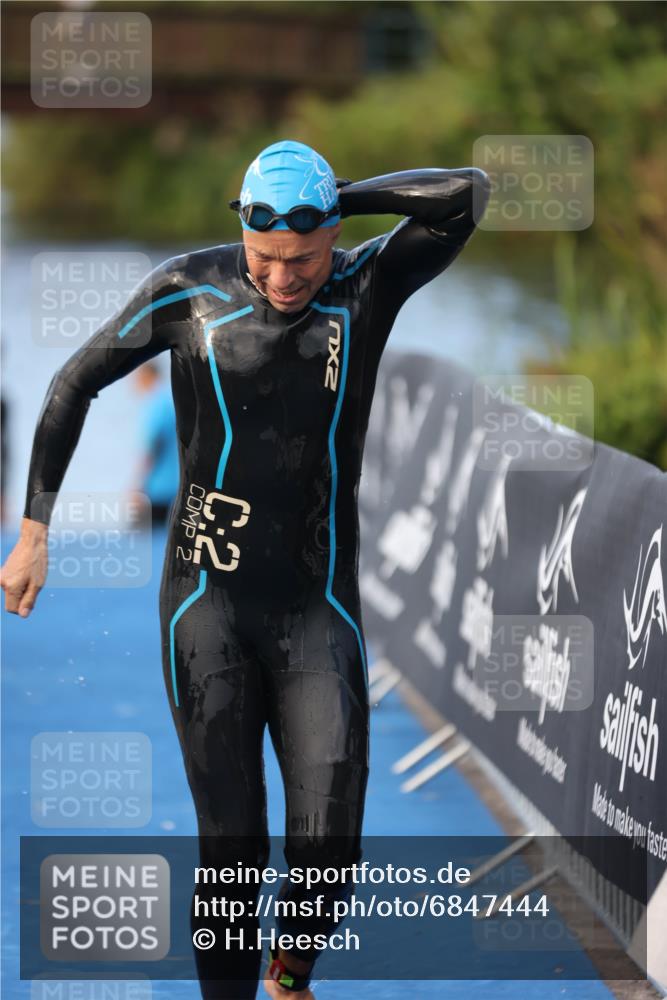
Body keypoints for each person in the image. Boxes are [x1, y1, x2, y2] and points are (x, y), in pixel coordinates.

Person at [0, 140, 490, 998]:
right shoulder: (189, 288)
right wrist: (34, 528)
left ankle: (289, 974)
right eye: (264, 258)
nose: (283, 276)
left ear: (333, 235)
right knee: (231, 848)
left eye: (303, 257)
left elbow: (464, 194)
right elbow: (76, 382)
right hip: (206, 603)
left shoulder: (366, 286)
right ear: (240, 233)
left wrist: (340, 196)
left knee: (329, 843)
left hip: (316, 606)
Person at [130, 361, 179, 527]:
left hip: (156, 491)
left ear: (146, 377)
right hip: (179, 488)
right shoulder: (173, 399)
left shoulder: (156, 403)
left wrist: (138, 487)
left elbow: (151, 447)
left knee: (139, 545)